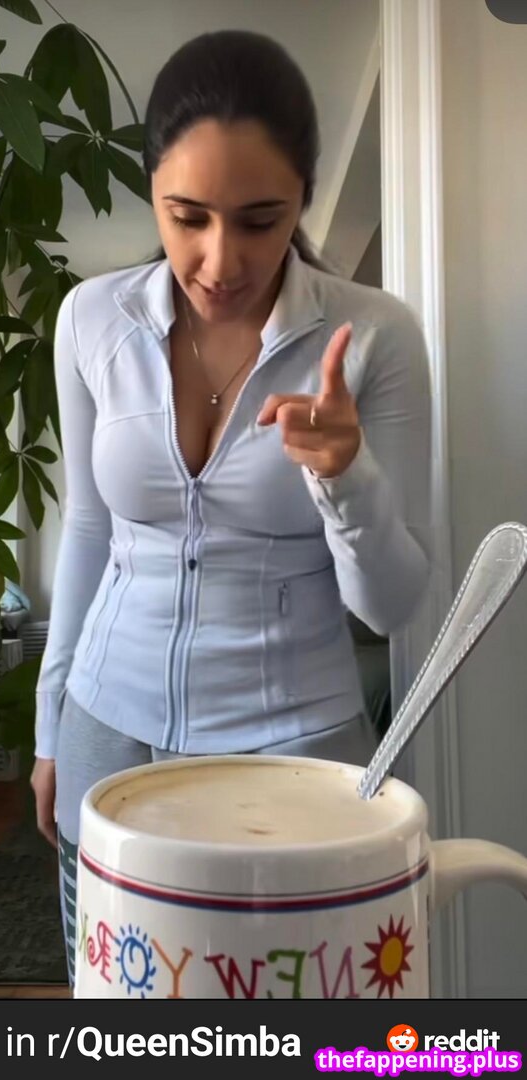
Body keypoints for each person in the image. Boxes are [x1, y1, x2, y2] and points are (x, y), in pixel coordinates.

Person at [30, 29, 432, 989]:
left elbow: (392, 605)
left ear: (303, 197)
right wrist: (49, 731)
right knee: (119, 1008)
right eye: (187, 217)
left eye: (259, 220)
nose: (220, 259)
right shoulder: (91, 319)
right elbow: (88, 530)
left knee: (290, 1016)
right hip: (104, 726)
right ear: (152, 194)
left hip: (294, 746)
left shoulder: (373, 337)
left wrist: (344, 476)